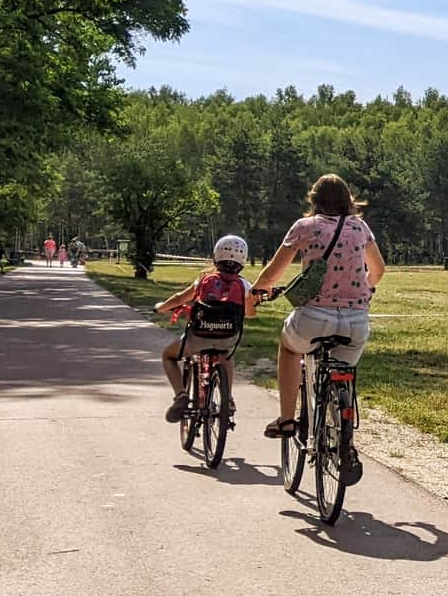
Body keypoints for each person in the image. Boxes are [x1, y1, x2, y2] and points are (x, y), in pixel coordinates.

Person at [252, 174, 385, 481]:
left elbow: (274, 271)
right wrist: (366, 289)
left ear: (313, 200)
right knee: (343, 372)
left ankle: (287, 419)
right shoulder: (360, 228)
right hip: (355, 322)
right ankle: (343, 436)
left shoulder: (305, 227)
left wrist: (254, 293)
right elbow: (378, 270)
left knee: (288, 348)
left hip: (313, 317)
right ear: (349, 201)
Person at [154, 235, 259, 422]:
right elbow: (251, 314)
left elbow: (179, 298)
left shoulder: (204, 280)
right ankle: (228, 399)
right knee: (225, 357)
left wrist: (161, 307)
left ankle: (180, 395)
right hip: (227, 337)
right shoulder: (244, 285)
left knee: (168, 356)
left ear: (216, 256)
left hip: (198, 337)